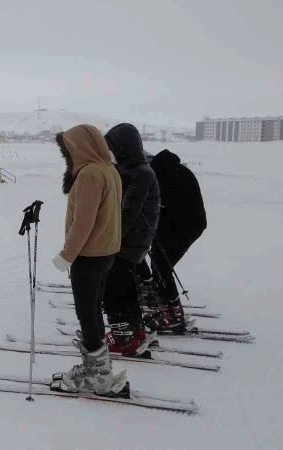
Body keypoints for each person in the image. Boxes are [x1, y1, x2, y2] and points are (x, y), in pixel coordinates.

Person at [51, 124, 124, 395]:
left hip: (88, 255)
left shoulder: (90, 174)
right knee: (93, 311)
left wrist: (66, 255)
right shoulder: (109, 170)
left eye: (70, 149)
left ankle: (98, 376)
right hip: (105, 253)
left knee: (87, 314)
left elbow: (83, 221)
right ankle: (99, 368)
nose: (69, 154)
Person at [101, 123, 160, 356]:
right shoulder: (134, 170)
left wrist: (109, 239)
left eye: (113, 147)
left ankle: (124, 336)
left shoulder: (140, 174)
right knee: (124, 286)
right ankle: (134, 332)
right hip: (131, 241)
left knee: (114, 288)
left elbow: (127, 213)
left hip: (128, 241)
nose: (111, 152)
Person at [139, 149, 207, 333]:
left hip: (183, 225)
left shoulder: (159, 174)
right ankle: (167, 309)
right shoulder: (167, 168)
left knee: (161, 266)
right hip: (182, 222)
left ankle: (174, 315)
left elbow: (154, 204)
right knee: (160, 265)